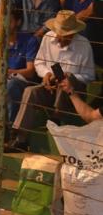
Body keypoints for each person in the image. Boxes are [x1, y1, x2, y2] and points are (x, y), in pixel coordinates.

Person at [9, 10, 96, 151]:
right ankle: (20, 137)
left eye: (65, 36)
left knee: (65, 81)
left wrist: (71, 77)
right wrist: (46, 74)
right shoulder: (48, 38)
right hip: (50, 88)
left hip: (73, 94)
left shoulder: (83, 45)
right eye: (59, 34)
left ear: (73, 34)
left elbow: (89, 75)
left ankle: (55, 118)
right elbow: (39, 63)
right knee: (30, 91)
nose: (61, 38)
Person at [0, 6, 38, 125]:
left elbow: (30, 71)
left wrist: (8, 73)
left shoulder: (30, 40)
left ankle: (10, 127)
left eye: (8, 20)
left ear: (18, 22)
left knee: (11, 85)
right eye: (1, 19)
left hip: (20, 82)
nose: (3, 23)